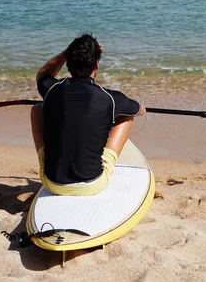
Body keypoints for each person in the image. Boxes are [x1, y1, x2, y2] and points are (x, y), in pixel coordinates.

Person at [30, 34, 145, 196]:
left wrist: (66, 52)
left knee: (37, 109)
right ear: (96, 65)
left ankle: (53, 159)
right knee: (127, 114)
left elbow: (42, 75)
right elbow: (141, 110)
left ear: (68, 62)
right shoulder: (110, 98)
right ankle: (108, 155)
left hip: (52, 181)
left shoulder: (52, 89)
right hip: (93, 184)